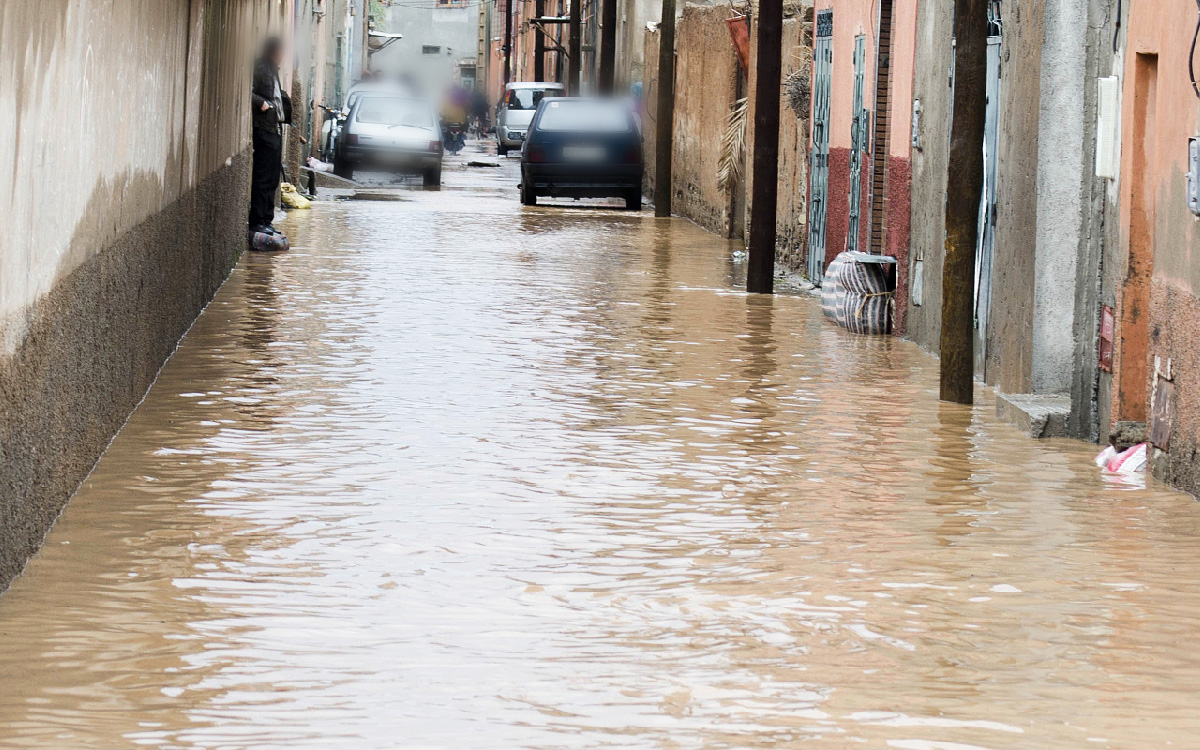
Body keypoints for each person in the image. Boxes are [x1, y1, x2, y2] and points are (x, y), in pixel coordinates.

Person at [250, 37, 292, 235]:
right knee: (263, 178)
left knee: (273, 179)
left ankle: (267, 220)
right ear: (271, 51)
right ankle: (258, 221)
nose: (282, 56)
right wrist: (261, 103)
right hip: (264, 129)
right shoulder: (260, 68)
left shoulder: (273, 70)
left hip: (274, 129)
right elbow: (248, 93)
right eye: (280, 52)